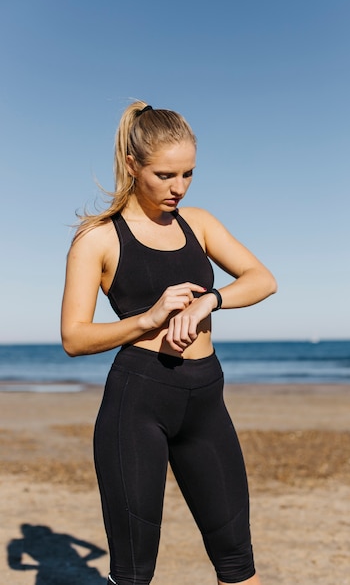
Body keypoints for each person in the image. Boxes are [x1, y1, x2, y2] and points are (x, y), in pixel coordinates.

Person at [61, 100, 277, 585]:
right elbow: (74, 338)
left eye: (189, 174)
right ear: (133, 166)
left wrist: (210, 302)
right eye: (165, 175)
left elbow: (262, 279)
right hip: (137, 405)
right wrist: (149, 318)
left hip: (206, 402)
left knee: (239, 566)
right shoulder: (97, 238)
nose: (178, 187)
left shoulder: (197, 223)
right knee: (134, 574)